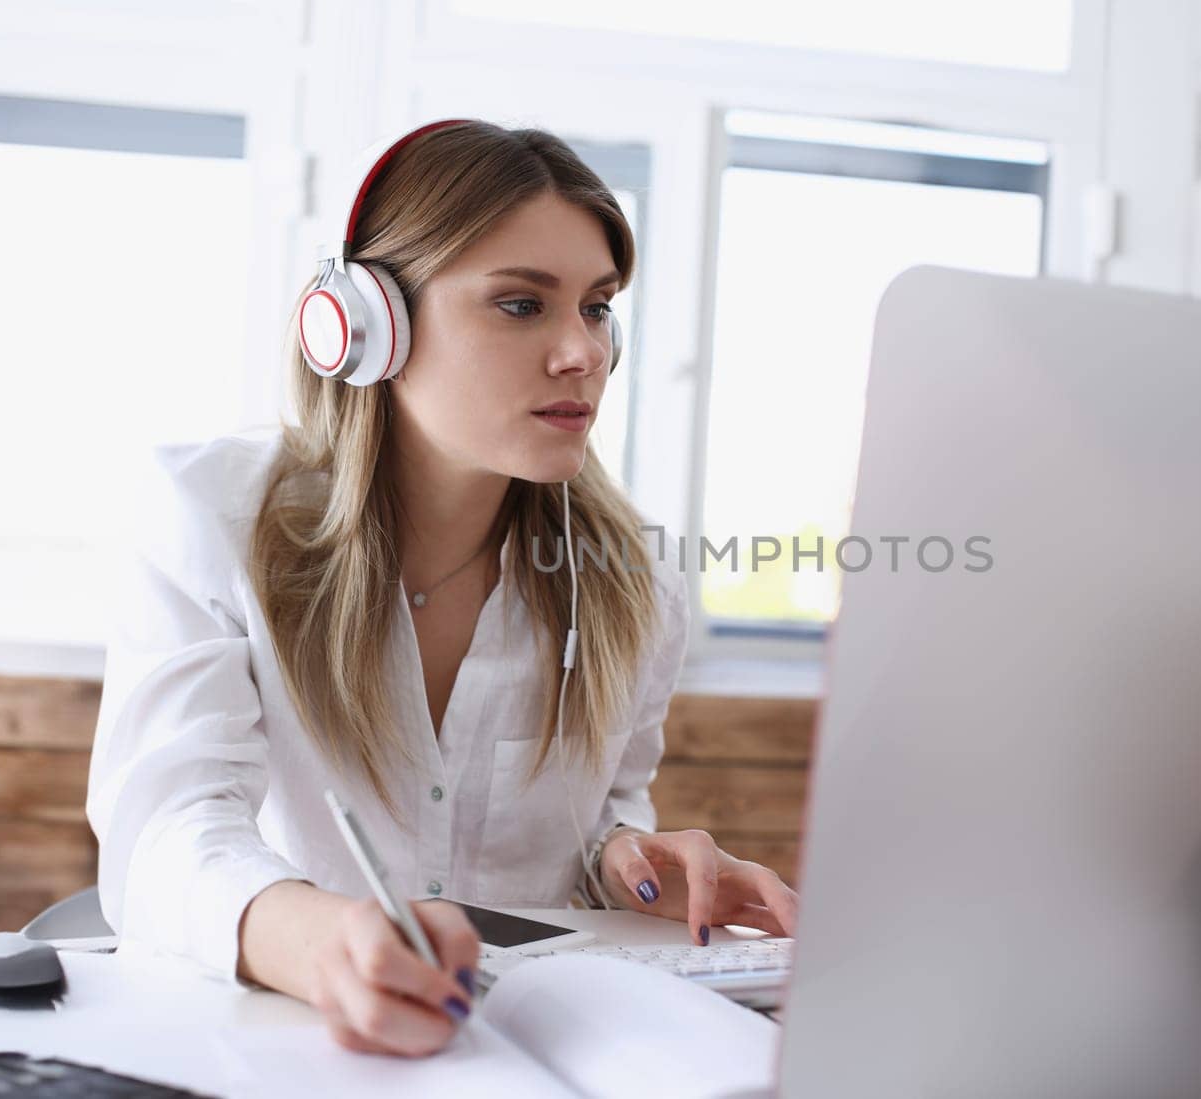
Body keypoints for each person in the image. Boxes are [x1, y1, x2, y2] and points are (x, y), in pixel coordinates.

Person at [85, 118, 799, 1058]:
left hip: (526, 1051)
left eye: (596, 306)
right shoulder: (212, 517)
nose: (583, 352)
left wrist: (625, 861)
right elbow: (165, 829)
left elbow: (600, 816)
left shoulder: (633, 582)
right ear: (368, 326)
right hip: (278, 1041)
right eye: (520, 305)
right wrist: (324, 943)